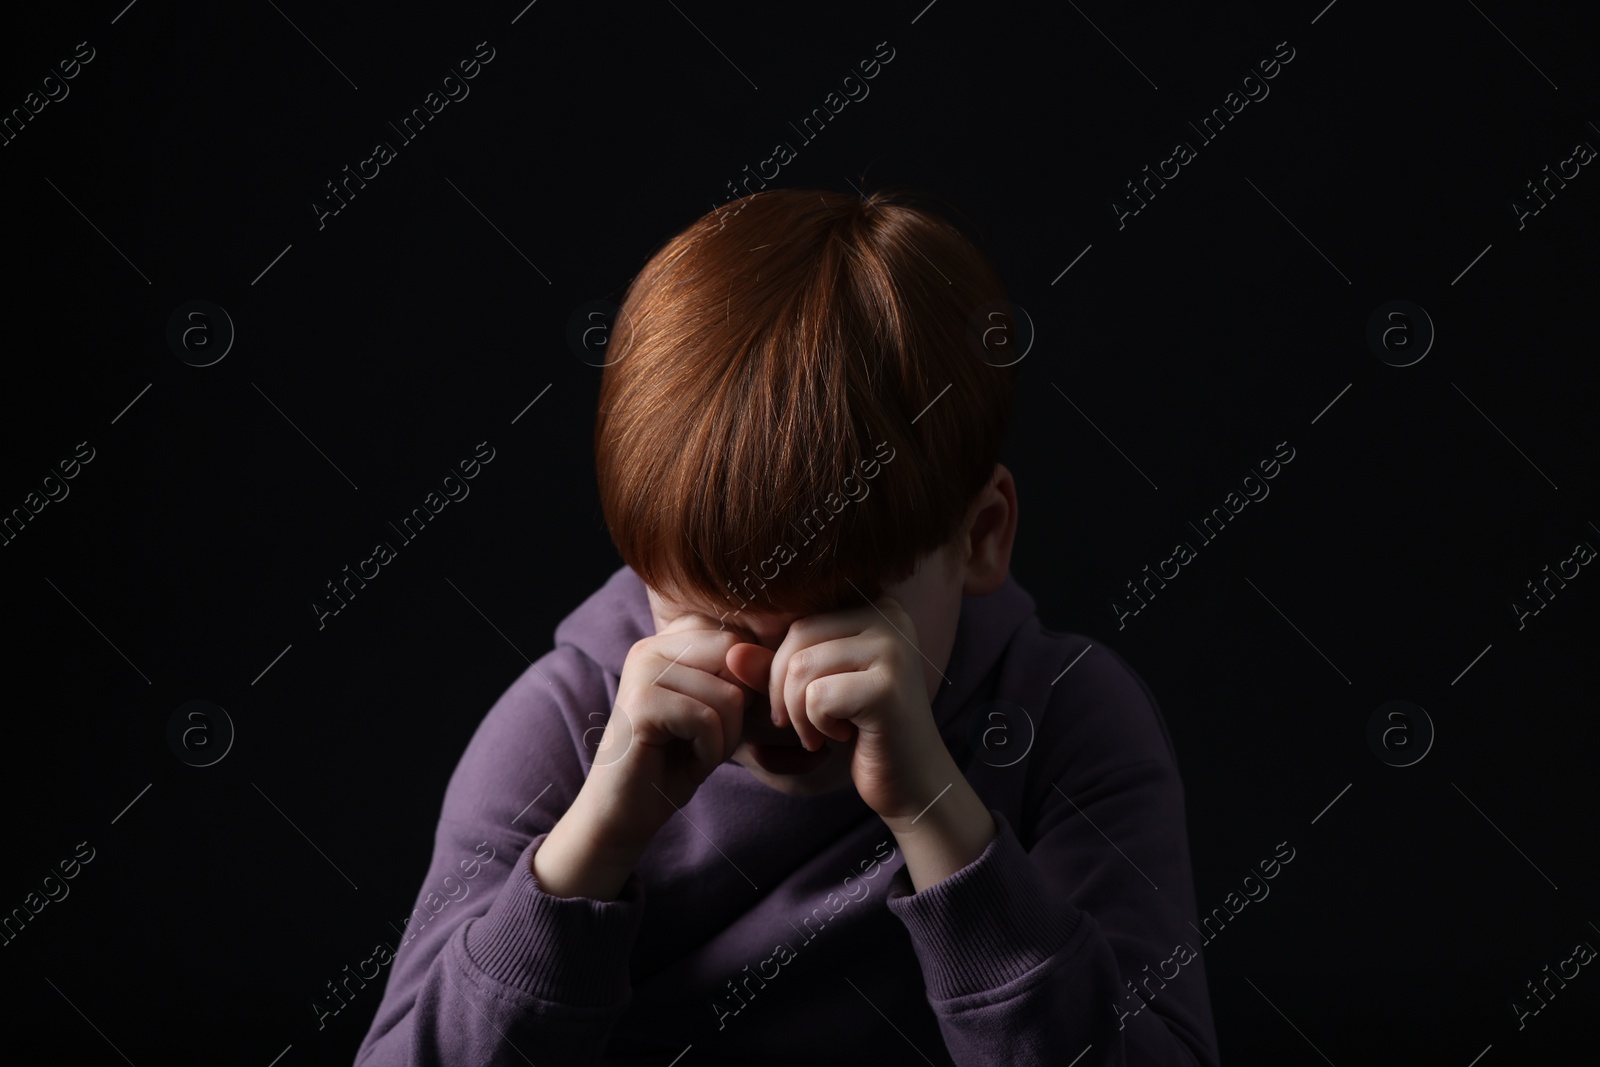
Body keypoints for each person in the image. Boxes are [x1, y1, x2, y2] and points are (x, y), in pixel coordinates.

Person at [352, 188, 1220, 1065]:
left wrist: (941, 823)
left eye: (840, 614)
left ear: (981, 535)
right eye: (705, 614)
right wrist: (592, 847)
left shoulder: (1068, 720)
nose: (774, 683)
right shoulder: (567, 727)